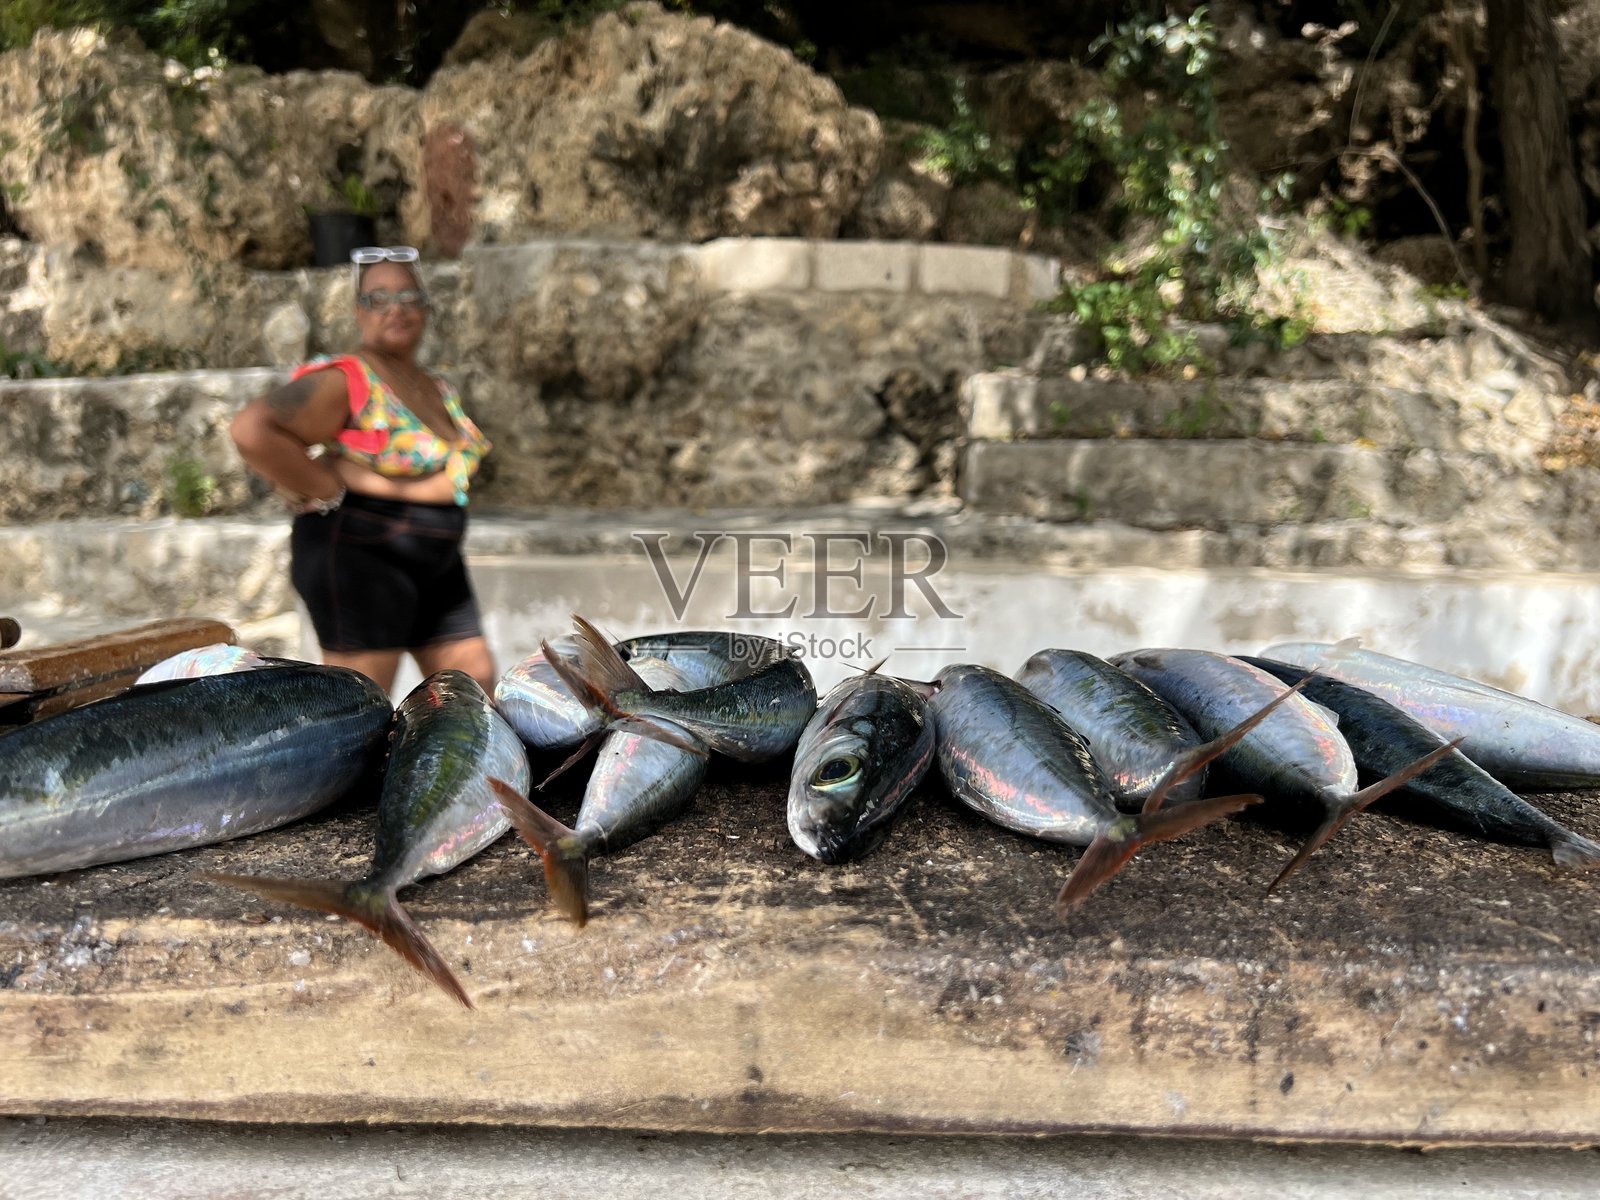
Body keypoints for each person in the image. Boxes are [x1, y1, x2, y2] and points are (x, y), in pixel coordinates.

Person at [230, 246, 496, 695]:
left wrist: (360, 476)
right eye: (378, 298)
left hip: (437, 560)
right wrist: (330, 486)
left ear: (426, 307)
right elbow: (251, 430)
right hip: (363, 558)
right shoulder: (348, 379)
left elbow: (452, 481)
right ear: (358, 312)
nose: (395, 308)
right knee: (363, 709)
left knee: (474, 692)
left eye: (408, 296)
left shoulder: (434, 387)